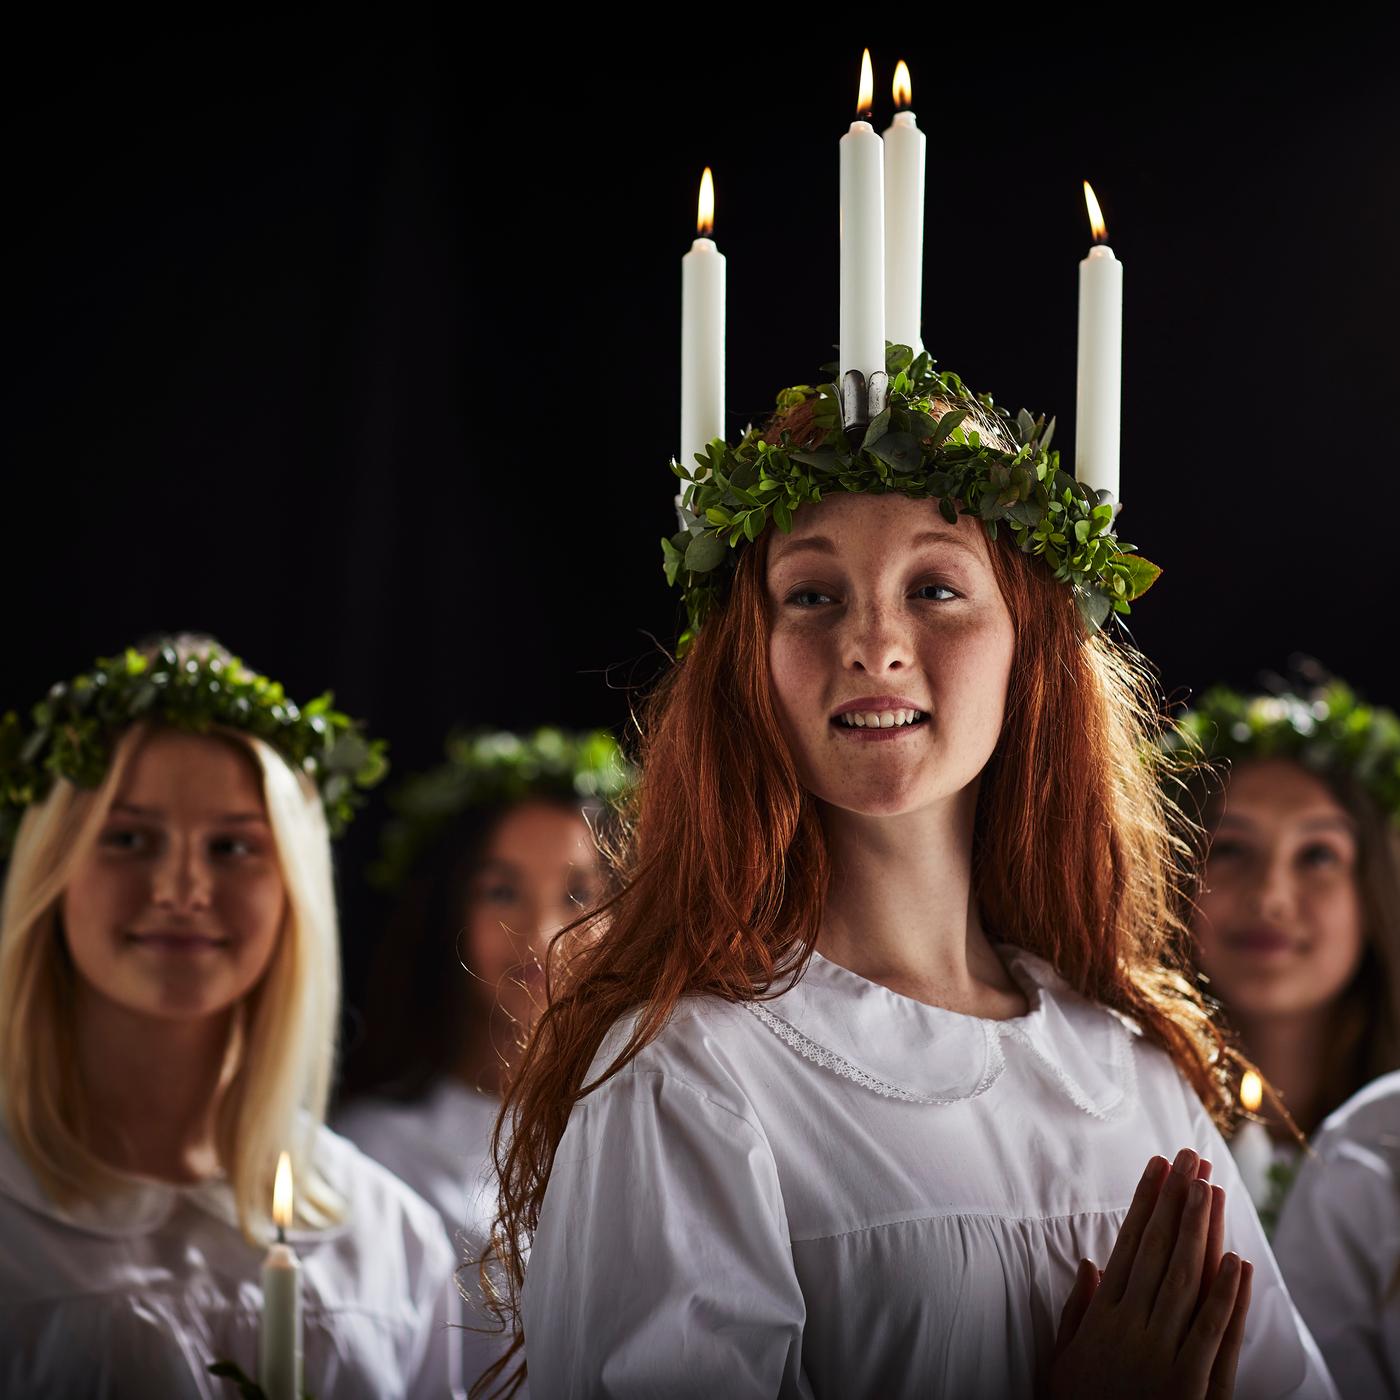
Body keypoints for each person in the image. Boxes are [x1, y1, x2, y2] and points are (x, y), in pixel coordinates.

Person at [478, 350, 1336, 1398]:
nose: (874, 643)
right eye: (811, 594)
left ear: (1029, 645)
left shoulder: (1128, 1071)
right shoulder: (692, 1076)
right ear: (748, 661)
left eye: (935, 587)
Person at [0, 636, 457, 1399]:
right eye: (129, 838)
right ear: (54, 867)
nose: (182, 889)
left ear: (293, 888)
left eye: (232, 846)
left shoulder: (388, 1237)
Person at [335, 727, 626, 1396]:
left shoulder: (648, 1121)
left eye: (578, 894)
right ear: (448, 913)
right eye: (501, 892)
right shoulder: (371, 1155)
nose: (543, 934)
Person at [1171, 672, 1400, 1233]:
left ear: (1373, 894)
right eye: (1230, 848)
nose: (1270, 896)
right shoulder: (1122, 1121)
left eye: (1318, 855)